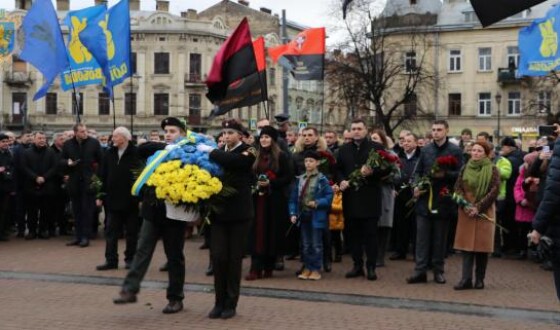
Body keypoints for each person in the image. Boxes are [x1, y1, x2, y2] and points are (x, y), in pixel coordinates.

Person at [113, 117, 189, 314]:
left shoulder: (189, 152)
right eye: (166, 131)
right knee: (142, 250)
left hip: (174, 213)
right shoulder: (157, 150)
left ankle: (175, 298)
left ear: (182, 133)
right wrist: (167, 145)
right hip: (152, 211)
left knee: (174, 257)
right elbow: (141, 149)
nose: (168, 134)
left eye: (173, 131)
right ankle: (129, 289)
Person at [197, 119, 256, 320]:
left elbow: (237, 163)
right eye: (224, 132)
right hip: (219, 213)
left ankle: (231, 303)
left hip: (239, 213)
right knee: (219, 257)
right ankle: (218, 302)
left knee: (233, 260)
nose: (226, 136)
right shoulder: (221, 150)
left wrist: (211, 151)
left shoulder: (249, 150)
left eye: (231, 132)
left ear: (240, 135)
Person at [407, 120, 463, 285]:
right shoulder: (425, 150)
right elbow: (417, 172)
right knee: (422, 238)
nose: (436, 132)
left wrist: (444, 175)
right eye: (433, 130)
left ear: (446, 130)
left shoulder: (455, 151)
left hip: (443, 198)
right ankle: (420, 271)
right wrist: (416, 185)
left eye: (439, 129)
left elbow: (461, 173)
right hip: (425, 199)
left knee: (439, 238)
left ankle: (438, 271)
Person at [337, 119, 389, 281]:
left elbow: (387, 169)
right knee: (353, 235)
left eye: (359, 128)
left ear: (366, 130)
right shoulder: (344, 149)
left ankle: (371, 267)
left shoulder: (377, 148)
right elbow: (338, 169)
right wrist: (341, 181)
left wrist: (373, 172)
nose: (356, 131)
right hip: (351, 198)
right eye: (354, 129)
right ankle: (357, 265)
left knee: (370, 235)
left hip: (369, 198)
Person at [245, 126, 292, 281]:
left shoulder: (281, 156)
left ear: (273, 139)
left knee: (271, 232)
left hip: (274, 200)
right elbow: (249, 174)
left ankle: (268, 266)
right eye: (262, 137)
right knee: (257, 232)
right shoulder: (254, 155)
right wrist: (255, 184)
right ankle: (255, 266)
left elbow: (288, 177)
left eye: (267, 137)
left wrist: (272, 182)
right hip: (257, 200)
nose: (264, 140)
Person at [453, 141, 500, 290]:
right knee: (466, 247)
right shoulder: (465, 167)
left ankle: (480, 279)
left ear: (486, 153)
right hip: (466, 210)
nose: (475, 153)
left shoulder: (492, 169)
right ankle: (465, 279)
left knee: (482, 247)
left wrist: (478, 207)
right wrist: (466, 205)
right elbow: (457, 188)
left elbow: (494, 190)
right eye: (473, 150)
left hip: (484, 210)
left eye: (479, 151)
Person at [96, 127, 142, 271]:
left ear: (125, 138)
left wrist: (141, 198)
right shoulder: (108, 153)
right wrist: (99, 195)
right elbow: (100, 175)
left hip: (131, 200)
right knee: (110, 231)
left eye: (115, 136)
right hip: (112, 200)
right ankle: (111, 260)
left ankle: (131, 259)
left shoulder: (136, 153)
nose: (113, 139)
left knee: (132, 232)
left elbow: (141, 177)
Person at [289, 150, 333, 281]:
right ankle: (307, 267)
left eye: (311, 161)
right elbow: (293, 199)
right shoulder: (300, 179)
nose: (308, 163)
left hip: (316, 216)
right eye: (306, 161)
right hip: (303, 216)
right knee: (305, 244)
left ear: (317, 163)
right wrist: (292, 213)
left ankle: (315, 268)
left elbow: (329, 196)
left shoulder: (322, 179)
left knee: (316, 244)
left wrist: (318, 203)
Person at [530, 128, 560, 301]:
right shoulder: (550, 148)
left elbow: (555, 190)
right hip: (545, 200)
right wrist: (540, 159)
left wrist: (537, 227)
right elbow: (534, 172)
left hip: (553, 207)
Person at [62, 124, 103, 247]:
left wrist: (96, 178)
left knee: (87, 210)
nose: (85, 133)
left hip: (88, 181)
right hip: (74, 181)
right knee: (76, 211)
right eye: (82, 131)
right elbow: (61, 160)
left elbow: (102, 161)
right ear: (75, 133)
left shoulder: (94, 143)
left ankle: (86, 236)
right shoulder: (68, 144)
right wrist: (67, 163)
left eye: (85, 131)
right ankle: (77, 236)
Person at [21, 132, 58, 240]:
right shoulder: (27, 152)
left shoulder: (51, 152)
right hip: (31, 185)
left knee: (45, 210)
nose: (42, 140)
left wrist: (44, 177)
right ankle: (32, 231)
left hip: (47, 185)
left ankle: (43, 230)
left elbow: (54, 167)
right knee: (31, 210)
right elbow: (24, 167)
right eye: (39, 138)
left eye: (43, 138)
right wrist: (35, 177)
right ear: (34, 139)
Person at [370, 129, 399, 267]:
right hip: (370, 192)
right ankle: (372, 254)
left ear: (382, 140)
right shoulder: (369, 155)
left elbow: (398, 175)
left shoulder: (391, 155)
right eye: (371, 139)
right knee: (371, 226)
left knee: (384, 225)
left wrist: (385, 176)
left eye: (375, 139)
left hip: (385, 192)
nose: (373, 141)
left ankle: (380, 256)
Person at [391, 133, 421, 260]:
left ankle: (416, 252)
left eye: (409, 141)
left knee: (415, 225)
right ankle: (400, 251)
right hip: (400, 194)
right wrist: (392, 188)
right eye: (404, 141)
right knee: (400, 224)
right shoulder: (398, 157)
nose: (406, 143)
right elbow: (391, 174)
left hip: (415, 195)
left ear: (416, 143)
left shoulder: (420, 157)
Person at [500, 137, 525, 256]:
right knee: (518, 223)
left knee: (508, 222)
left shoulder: (508, 160)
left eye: (503, 147)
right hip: (519, 194)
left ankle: (510, 246)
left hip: (509, 194)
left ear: (509, 147)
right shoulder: (521, 156)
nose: (501, 150)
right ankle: (518, 246)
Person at [0, 134, 14, 241]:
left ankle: (2, 231)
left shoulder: (9, 154)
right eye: (3, 141)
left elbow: (12, 167)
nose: (5, 143)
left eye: (6, 141)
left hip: (5, 186)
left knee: (4, 210)